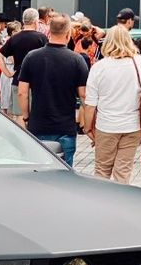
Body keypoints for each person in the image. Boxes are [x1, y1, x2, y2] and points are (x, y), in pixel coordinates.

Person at [81, 25, 141, 183]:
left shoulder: (99, 67)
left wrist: (87, 127)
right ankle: (121, 203)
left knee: (102, 170)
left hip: (106, 126)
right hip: (133, 125)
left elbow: (90, 103)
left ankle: (101, 204)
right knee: (123, 170)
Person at [16, 14, 89, 166]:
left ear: (49, 32)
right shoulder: (76, 60)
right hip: (65, 127)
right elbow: (83, 95)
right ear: (68, 34)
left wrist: (26, 116)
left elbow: (22, 92)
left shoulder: (32, 57)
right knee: (65, 172)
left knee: (39, 171)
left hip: (38, 125)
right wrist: (88, 124)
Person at [0, 7, 48, 120]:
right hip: (38, 82)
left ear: (23, 21)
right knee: (37, 115)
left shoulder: (14, 38)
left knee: (20, 115)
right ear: (36, 21)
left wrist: (7, 72)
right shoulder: (42, 38)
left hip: (18, 80)